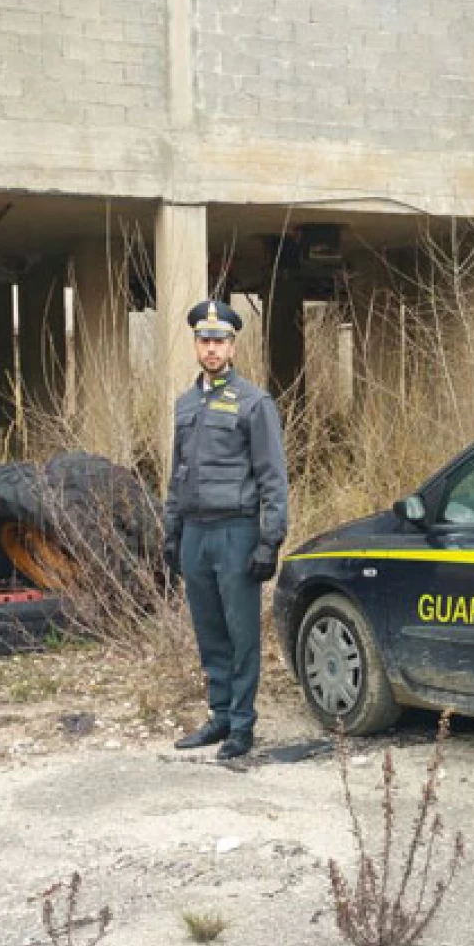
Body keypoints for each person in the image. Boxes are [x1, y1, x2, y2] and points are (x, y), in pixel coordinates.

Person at [162, 299, 289, 760]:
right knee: (209, 630)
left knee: (241, 633)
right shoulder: (185, 403)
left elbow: (273, 476)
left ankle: (241, 725)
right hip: (195, 532)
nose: (211, 348)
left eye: (219, 341)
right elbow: (177, 473)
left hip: (236, 533)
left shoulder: (255, 403)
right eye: (204, 340)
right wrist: (171, 530)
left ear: (233, 346)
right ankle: (218, 716)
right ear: (195, 344)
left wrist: (270, 539)